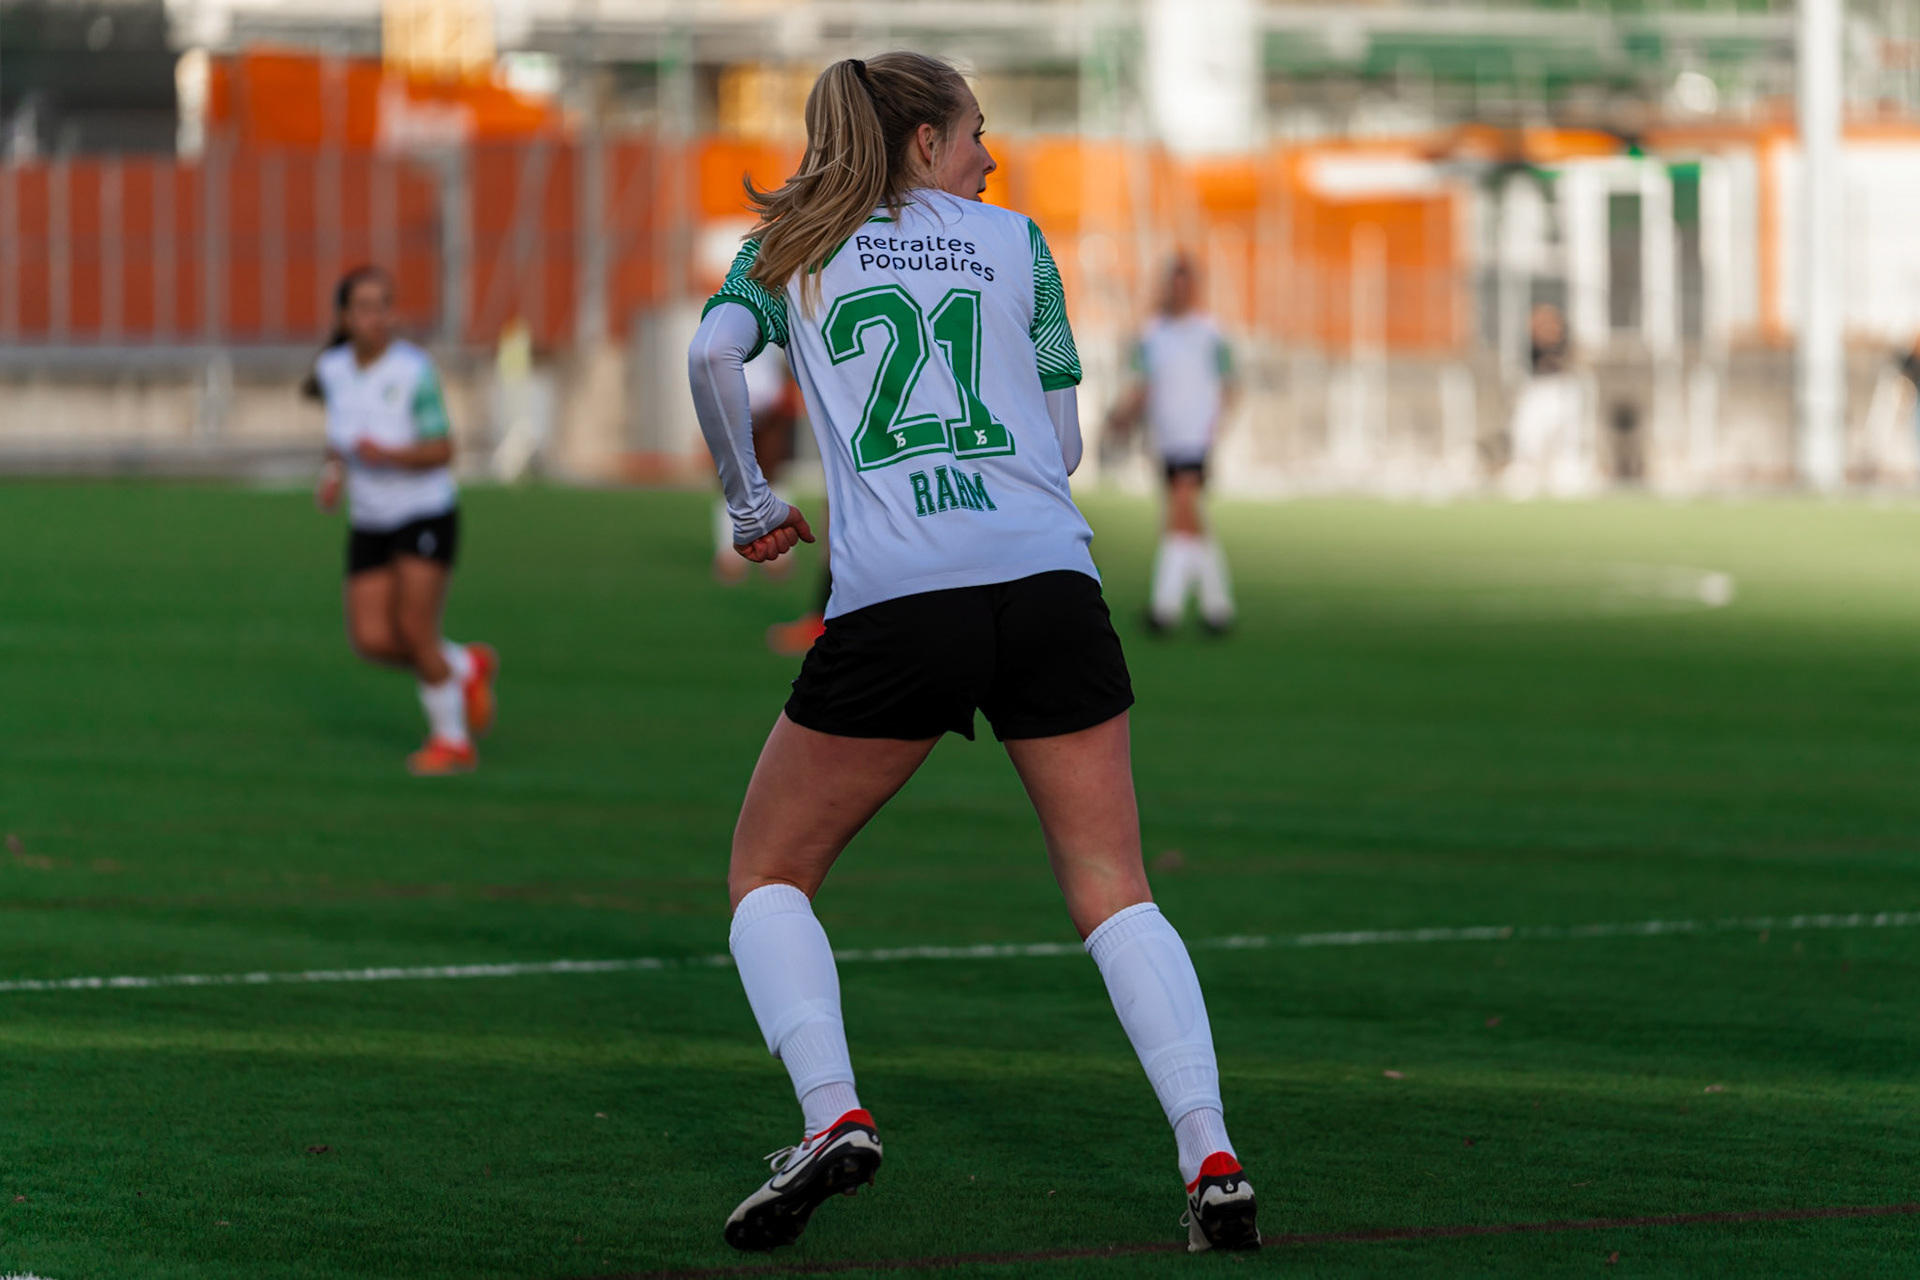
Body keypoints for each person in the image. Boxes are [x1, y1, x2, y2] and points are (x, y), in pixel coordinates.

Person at [687, 52, 1258, 1255]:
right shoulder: (1019, 243)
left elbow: (710, 357)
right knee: (1116, 889)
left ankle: (832, 1112)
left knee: (767, 872)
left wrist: (750, 504)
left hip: (904, 598)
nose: (990, 157)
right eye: (975, 132)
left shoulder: (789, 242)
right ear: (924, 142)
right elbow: (1063, 440)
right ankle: (1210, 1151)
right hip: (1052, 582)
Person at [307, 266, 498, 776]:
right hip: (369, 518)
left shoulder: (413, 370)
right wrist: (333, 474)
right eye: (365, 308)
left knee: (415, 629)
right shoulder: (332, 368)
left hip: (423, 513)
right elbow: (338, 439)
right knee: (370, 640)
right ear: (344, 318)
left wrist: (389, 455)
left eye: (384, 306)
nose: (378, 317)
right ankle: (464, 666)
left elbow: (443, 449)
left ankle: (452, 741)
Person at [1106, 255, 1237, 634]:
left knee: (1180, 514)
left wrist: (1215, 427)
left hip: (1196, 437)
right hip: (1164, 438)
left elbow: (1229, 383)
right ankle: (1217, 607)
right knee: (1188, 519)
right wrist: (1123, 417)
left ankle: (1166, 607)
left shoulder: (1211, 333)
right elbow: (1141, 385)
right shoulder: (1151, 334)